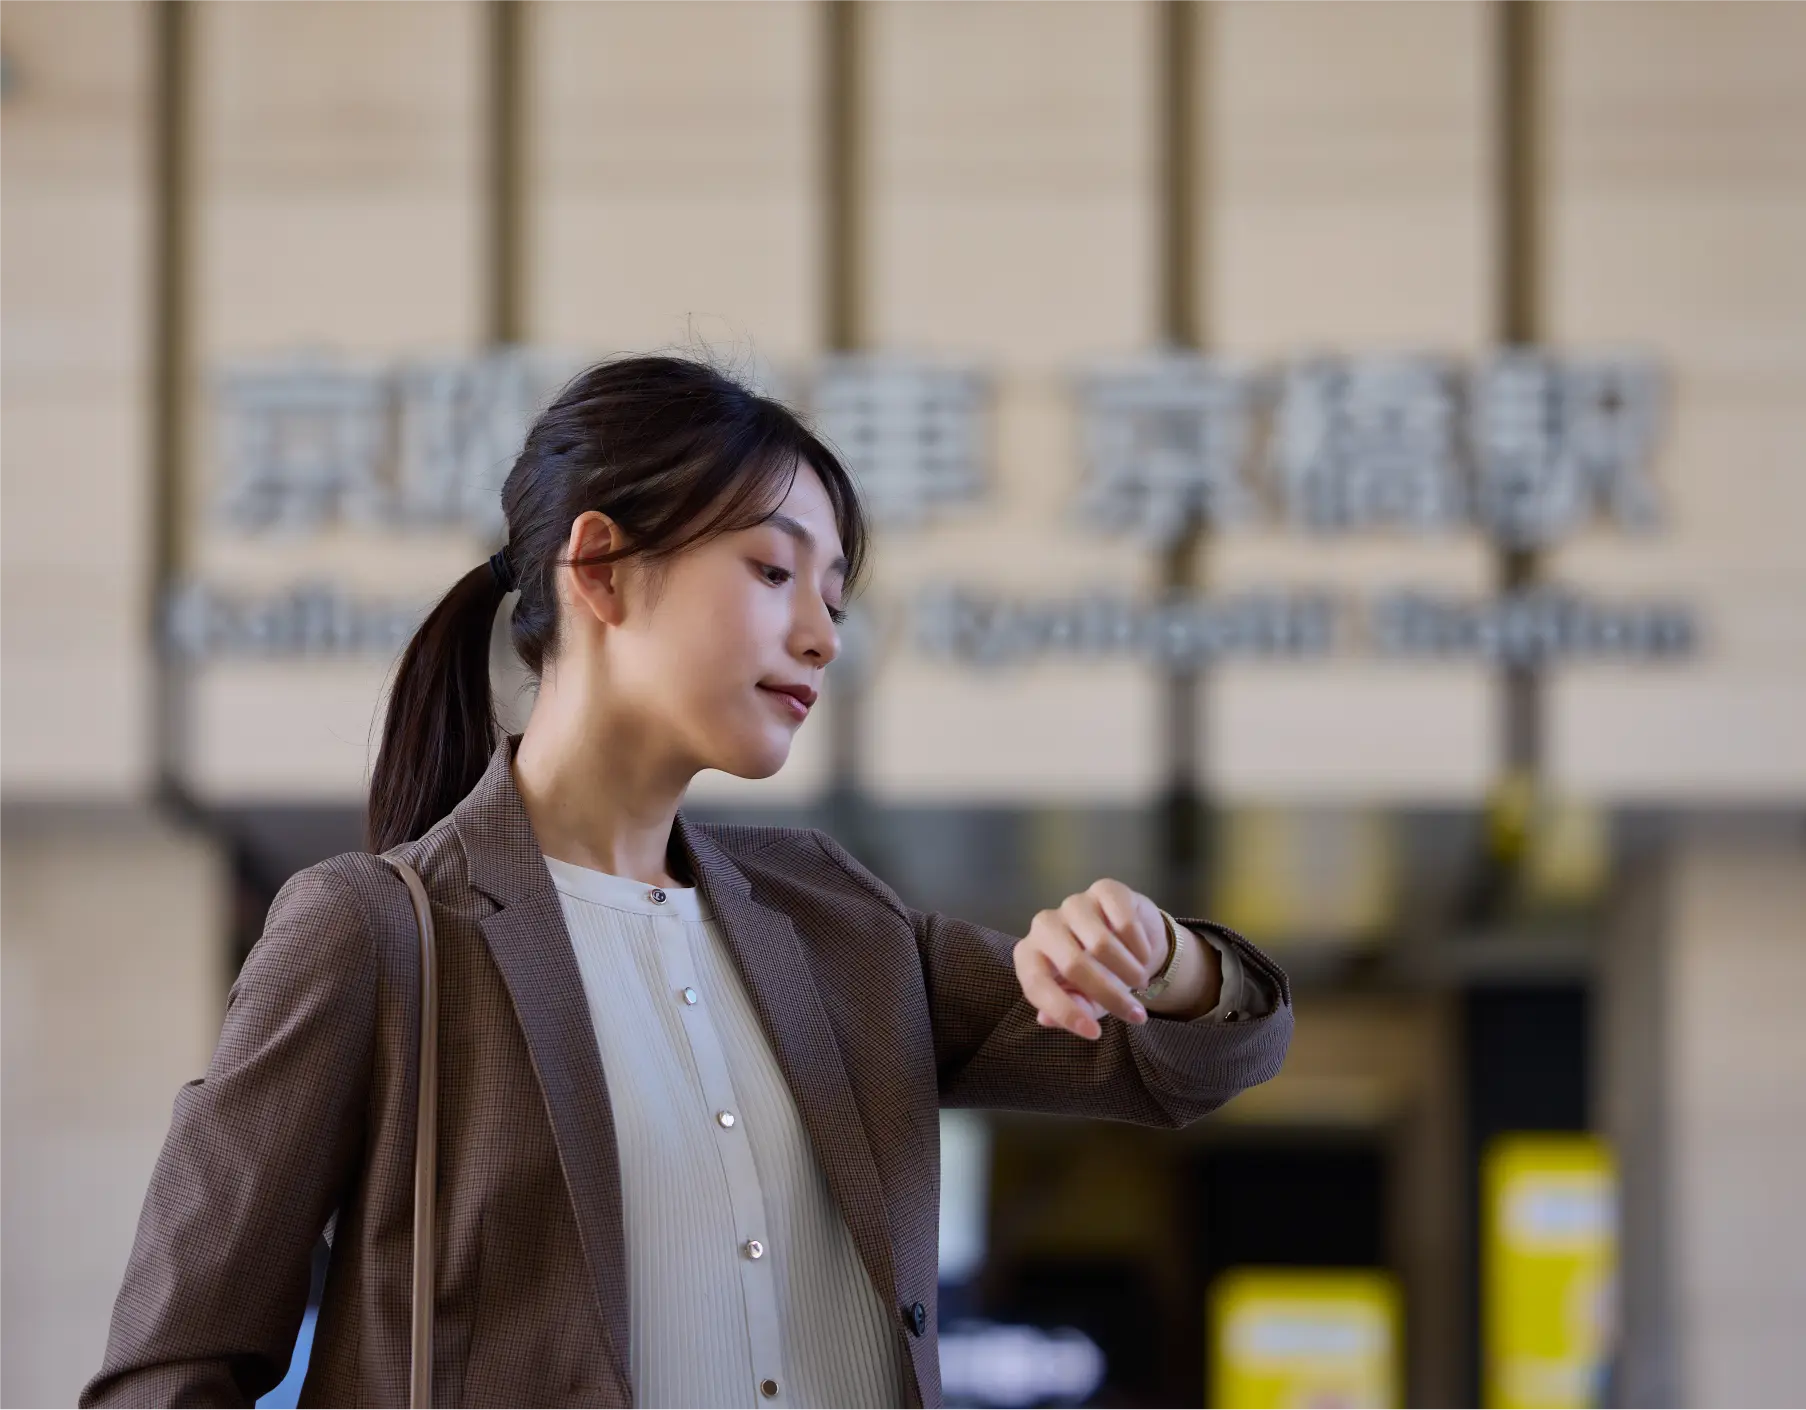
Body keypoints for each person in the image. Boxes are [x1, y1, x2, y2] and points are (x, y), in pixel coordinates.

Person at [81, 355, 1292, 1410]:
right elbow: (168, 1372)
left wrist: (1158, 955)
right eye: (776, 573)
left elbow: (1186, 1062)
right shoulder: (378, 936)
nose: (822, 635)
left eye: (834, 598)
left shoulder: (833, 923)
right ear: (600, 569)